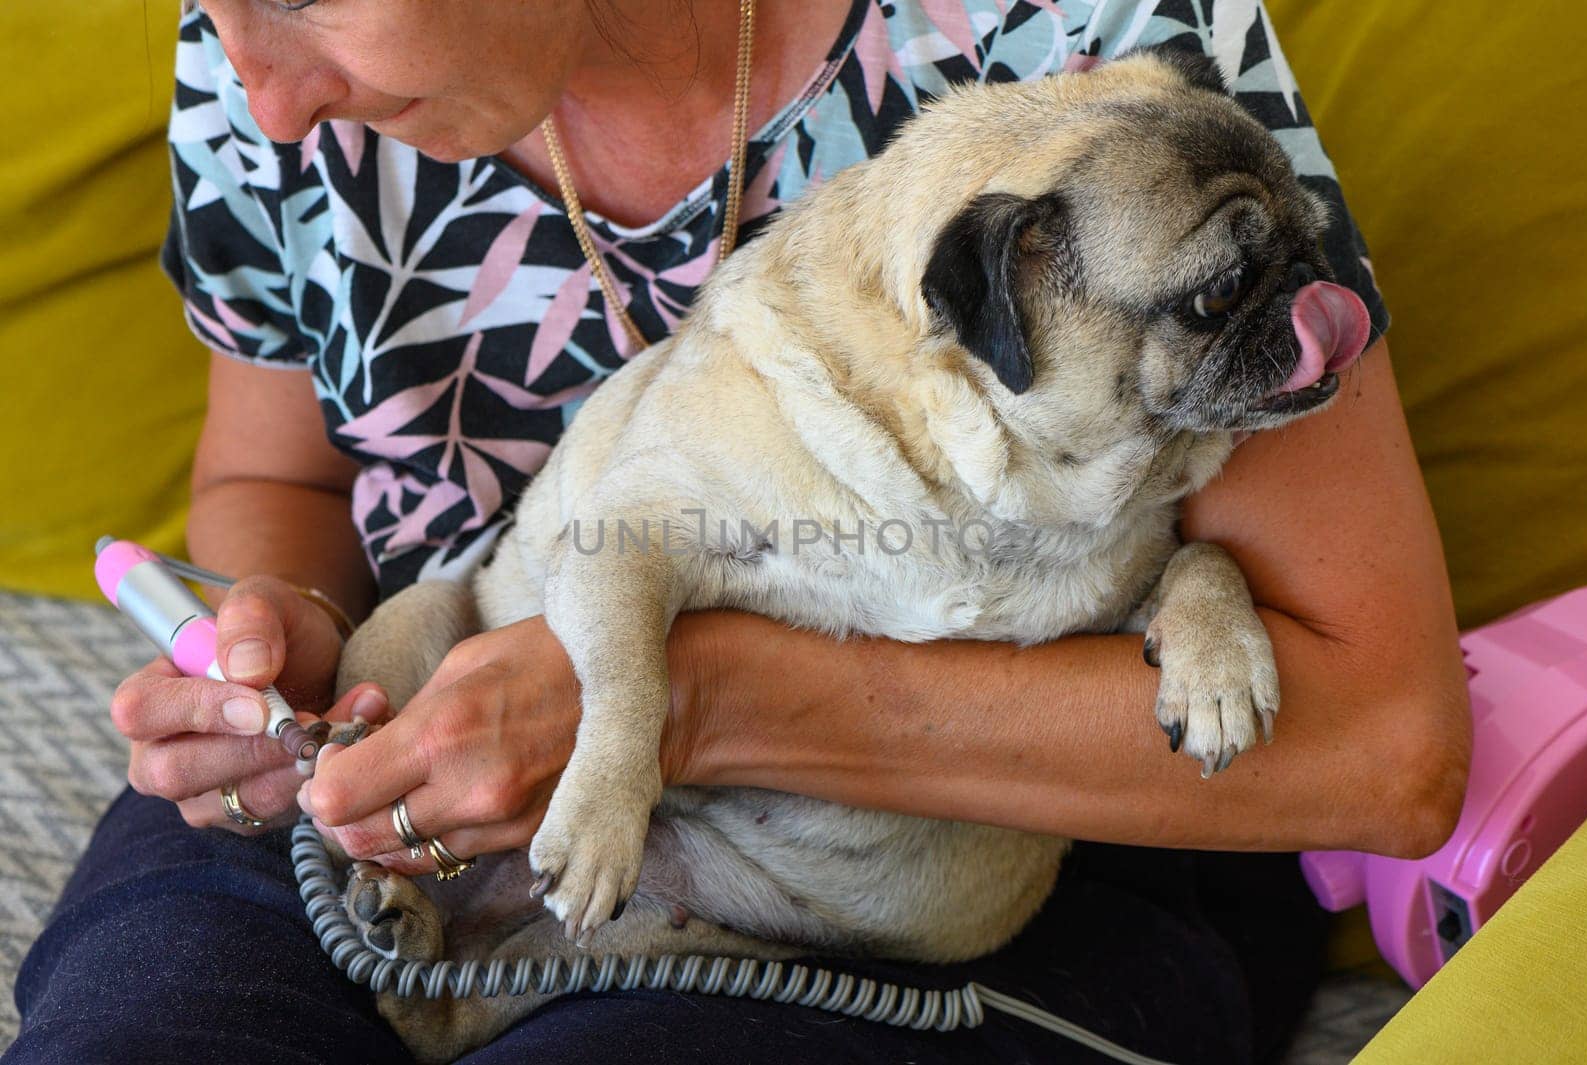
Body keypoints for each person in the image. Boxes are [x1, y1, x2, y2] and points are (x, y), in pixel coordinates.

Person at [9, 1, 1471, 1062]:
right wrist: (278, 639)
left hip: (975, 864)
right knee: (150, 1023)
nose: (255, 82)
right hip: (412, 738)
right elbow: (288, 488)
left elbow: (1390, 751)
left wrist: (677, 706)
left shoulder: (1098, 57)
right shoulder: (265, 85)